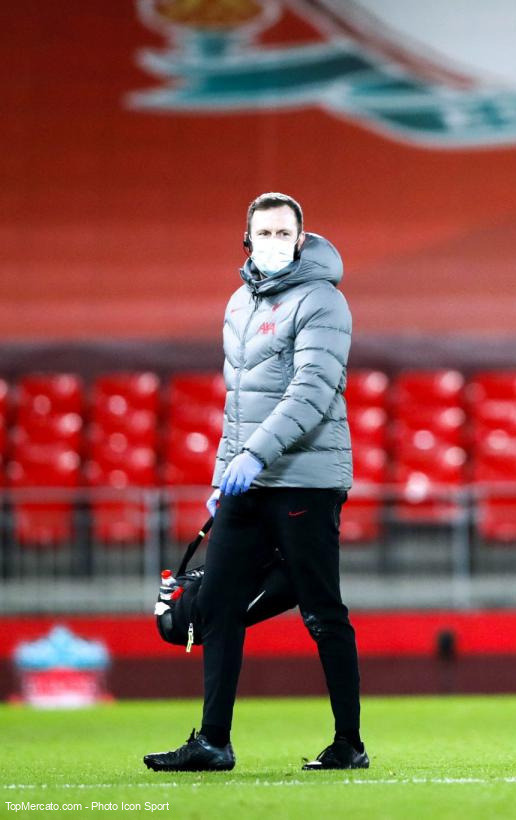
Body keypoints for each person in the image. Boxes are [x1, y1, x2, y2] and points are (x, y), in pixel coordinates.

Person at [145, 193, 366, 772]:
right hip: (247, 481)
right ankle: (213, 742)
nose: (272, 242)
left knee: (321, 610)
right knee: (216, 604)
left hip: (305, 481)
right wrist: (224, 477)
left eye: (283, 233)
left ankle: (349, 744)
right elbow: (237, 406)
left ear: (300, 239)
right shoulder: (238, 305)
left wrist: (254, 455)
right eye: (263, 233)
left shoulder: (324, 301)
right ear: (247, 241)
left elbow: (313, 392)